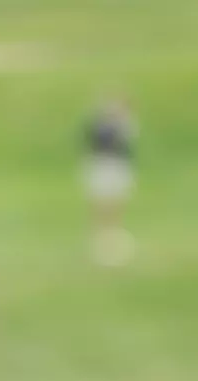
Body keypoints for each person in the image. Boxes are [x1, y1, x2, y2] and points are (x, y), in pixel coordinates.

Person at [83, 98, 138, 265]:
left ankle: (114, 234)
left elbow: (125, 145)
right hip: (103, 165)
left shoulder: (125, 125)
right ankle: (101, 236)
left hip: (117, 165)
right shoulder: (100, 126)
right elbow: (98, 142)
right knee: (102, 202)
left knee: (117, 202)